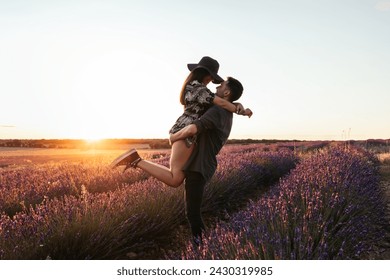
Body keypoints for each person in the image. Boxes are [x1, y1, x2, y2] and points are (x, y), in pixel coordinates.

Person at [111, 57, 252, 188]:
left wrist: (237, 104)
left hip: (187, 132)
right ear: (206, 74)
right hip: (185, 131)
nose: (211, 81)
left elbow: (221, 102)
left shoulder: (199, 88)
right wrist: (241, 110)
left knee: (176, 178)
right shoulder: (196, 88)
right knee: (174, 179)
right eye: (211, 77)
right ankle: (136, 159)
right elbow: (221, 102)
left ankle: (135, 159)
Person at [169, 76, 245, 240]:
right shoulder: (226, 111)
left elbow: (193, 129)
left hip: (199, 166)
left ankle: (203, 249)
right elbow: (221, 103)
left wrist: (174, 137)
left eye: (221, 85)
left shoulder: (218, 111)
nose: (217, 87)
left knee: (193, 214)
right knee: (192, 211)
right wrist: (239, 106)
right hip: (203, 164)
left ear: (227, 92)